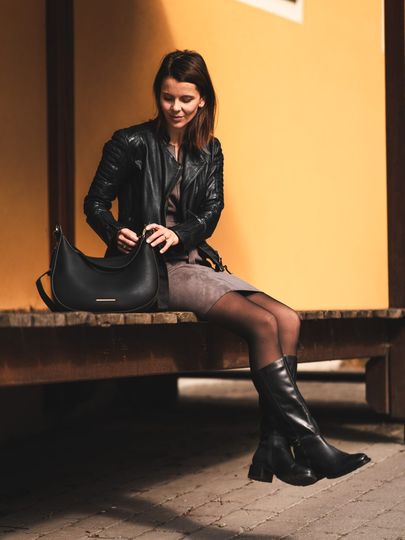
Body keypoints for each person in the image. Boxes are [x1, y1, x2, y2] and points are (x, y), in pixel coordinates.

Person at [84, 49, 370, 486]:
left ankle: (273, 445)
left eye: (185, 99)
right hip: (152, 271)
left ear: (202, 99)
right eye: (167, 97)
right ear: (158, 95)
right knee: (262, 323)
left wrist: (180, 235)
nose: (175, 108)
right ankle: (309, 441)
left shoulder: (209, 150)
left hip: (194, 261)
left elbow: (211, 211)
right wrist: (115, 231)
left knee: (288, 319)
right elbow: (95, 203)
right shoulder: (130, 143)